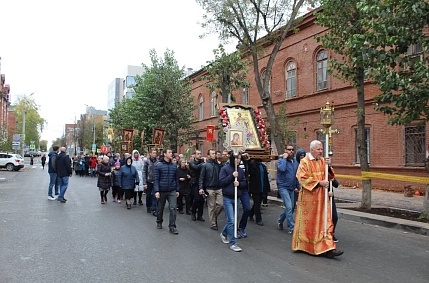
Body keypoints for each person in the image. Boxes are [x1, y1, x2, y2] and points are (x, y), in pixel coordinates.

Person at [292, 140, 343, 258]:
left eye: (321, 149)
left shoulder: (322, 161)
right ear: (312, 150)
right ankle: (305, 245)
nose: (321, 152)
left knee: (326, 221)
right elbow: (302, 178)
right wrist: (319, 182)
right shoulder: (304, 162)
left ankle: (328, 247)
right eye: (319, 149)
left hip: (322, 197)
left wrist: (329, 166)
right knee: (310, 223)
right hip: (309, 199)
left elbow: (330, 177)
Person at [219, 151, 247, 252]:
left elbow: (244, 182)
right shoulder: (225, 169)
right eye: (237, 159)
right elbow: (222, 182)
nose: (238, 161)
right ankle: (233, 243)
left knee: (234, 219)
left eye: (239, 159)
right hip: (227, 198)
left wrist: (239, 184)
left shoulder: (240, 170)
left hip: (237, 197)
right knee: (231, 220)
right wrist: (232, 176)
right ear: (232, 159)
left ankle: (224, 234)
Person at [154, 149, 180, 234]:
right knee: (160, 208)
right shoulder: (158, 165)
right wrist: (157, 191)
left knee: (173, 208)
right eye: (169, 152)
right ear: (165, 154)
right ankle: (159, 221)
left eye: (171, 152)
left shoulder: (174, 165)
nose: (171, 154)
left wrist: (177, 189)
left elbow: (176, 178)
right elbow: (156, 179)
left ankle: (172, 226)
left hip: (172, 190)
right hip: (162, 190)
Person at [277, 145, 300, 234]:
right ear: (285, 150)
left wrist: (299, 188)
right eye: (289, 149)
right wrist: (284, 158)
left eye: (292, 150)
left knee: (291, 207)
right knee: (289, 207)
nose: (291, 151)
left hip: (291, 187)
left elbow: (297, 176)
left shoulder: (295, 162)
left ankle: (280, 220)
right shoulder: (281, 161)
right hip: (283, 187)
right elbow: (282, 169)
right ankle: (291, 227)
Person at [199, 149, 223, 230]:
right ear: (208, 155)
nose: (214, 155)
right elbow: (201, 177)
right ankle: (213, 223)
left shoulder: (218, 164)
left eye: (215, 153)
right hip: (210, 188)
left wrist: (220, 165)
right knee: (211, 206)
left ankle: (214, 217)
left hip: (219, 187)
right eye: (212, 153)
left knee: (221, 205)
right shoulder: (205, 165)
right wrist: (201, 188)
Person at [248, 159, 270, 226]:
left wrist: (266, 189)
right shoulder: (252, 165)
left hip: (262, 188)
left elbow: (265, 178)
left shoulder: (262, 166)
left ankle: (251, 214)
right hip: (255, 188)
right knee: (257, 203)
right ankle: (258, 219)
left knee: (257, 203)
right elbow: (250, 172)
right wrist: (250, 161)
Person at [189, 150, 205, 222]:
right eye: (198, 154)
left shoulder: (201, 162)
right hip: (195, 182)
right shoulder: (191, 162)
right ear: (194, 155)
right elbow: (195, 168)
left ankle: (200, 215)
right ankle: (193, 212)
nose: (199, 155)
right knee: (196, 198)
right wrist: (203, 163)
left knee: (201, 200)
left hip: (201, 182)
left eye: (200, 154)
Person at [143, 149, 158, 215]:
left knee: (154, 195)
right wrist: (145, 183)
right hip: (149, 181)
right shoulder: (147, 162)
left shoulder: (158, 162)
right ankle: (148, 206)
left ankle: (154, 208)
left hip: (156, 181)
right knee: (148, 195)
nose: (154, 154)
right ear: (150, 154)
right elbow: (144, 172)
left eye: (155, 153)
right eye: (153, 153)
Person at [293, 148, 306, 213]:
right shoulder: (295, 164)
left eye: (303, 156)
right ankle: (281, 219)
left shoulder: (304, 163)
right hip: (296, 187)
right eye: (301, 156)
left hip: (303, 186)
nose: (302, 157)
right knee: (292, 206)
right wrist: (295, 186)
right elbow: (294, 176)